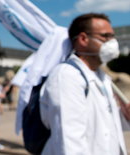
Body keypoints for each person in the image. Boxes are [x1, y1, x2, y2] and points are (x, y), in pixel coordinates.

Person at [39, 13, 130, 155]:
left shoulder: (102, 77)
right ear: (83, 39)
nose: (112, 42)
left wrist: (125, 116)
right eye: (105, 36)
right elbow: (69, 140)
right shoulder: (67, 76)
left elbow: (103, 124)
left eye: (112, 36)